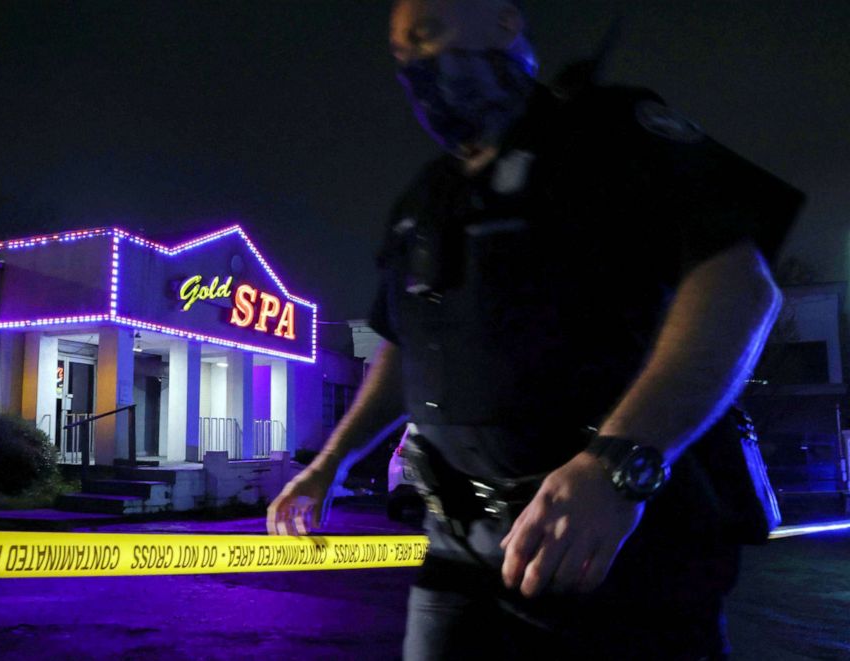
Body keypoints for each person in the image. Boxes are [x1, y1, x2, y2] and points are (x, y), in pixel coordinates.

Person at [267, 0, 804, 658]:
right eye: (403, 54)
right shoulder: (426, 198)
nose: (416, 62)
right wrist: (329, 463)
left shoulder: (612, 132)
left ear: (504, 24)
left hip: (610, 550)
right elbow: (403, 351)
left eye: (430, 31)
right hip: (458, 552)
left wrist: (617, 465)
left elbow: (739, 286)